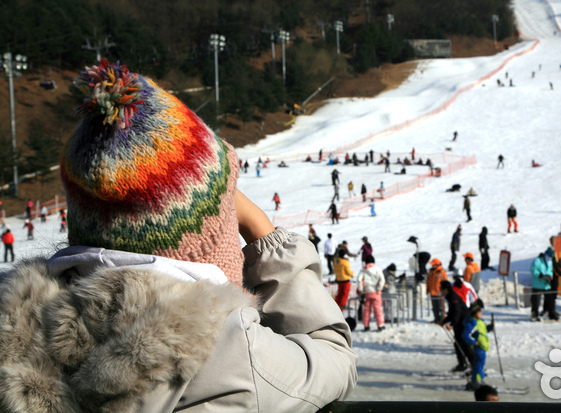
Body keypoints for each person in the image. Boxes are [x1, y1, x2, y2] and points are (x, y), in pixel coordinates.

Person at [0, 60, 357, 412]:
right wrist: (264, 234)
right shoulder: (230, 351)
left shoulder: (15, 327)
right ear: (210, 228)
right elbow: (333, 356)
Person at [439, 280, 471, 372]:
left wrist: (452, 325)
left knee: (464, 344)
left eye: (441, 289)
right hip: (459, 323)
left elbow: (457, 312)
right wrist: (444, 321)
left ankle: (472, 363)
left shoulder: (453, 297)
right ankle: (463, 363)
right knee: (458, 344)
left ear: (446, 290)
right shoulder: (450, 296)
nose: (440, 290)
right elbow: (452, 313)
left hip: (463, 323)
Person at [463, 305, 491, 390]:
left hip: (483, 345)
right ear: (474, 314)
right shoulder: (472, 323)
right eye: (479, 312)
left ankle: (476, 379)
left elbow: (484, 330)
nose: (481, 313)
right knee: (478, 364)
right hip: (478, 347)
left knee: (481, 364)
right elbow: (465, 335)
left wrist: (490, 327)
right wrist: (473, 342)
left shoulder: (480, 321)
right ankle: (477, 380)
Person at [357, 255, 385, 332]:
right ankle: (380, 325)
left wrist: (361, 290)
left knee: (366, 310)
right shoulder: (377, 269)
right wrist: (379, 288)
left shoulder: (363, 270)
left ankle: (366, 325)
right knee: (377, 309)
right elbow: (382, 279)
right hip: (376, 292)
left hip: (367, 292)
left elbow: (359, 280)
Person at [530, 247, 556, 321]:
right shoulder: (537, 261)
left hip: (546, 285)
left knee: (550, 299)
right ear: (546, 255)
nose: (551, 258)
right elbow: (533, 271)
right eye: (550, 256)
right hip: (537, 285)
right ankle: (534, 315)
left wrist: (550, 276)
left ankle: (552, 313)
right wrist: (541, 275)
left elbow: (550, 271)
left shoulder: (550, 262)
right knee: (536, 301)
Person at [426, 258, 448, 322]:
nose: (432, 266)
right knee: (434, 307)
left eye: (433, 265)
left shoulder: (442, 272)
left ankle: (442, 319)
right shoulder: (430, 272)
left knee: (440, 307)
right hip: (432, 292)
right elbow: (428, 281)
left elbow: (445, 283)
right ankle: (436, 319)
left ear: (437, 265)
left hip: (440, 293)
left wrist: (445, 292)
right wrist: (427, 289)